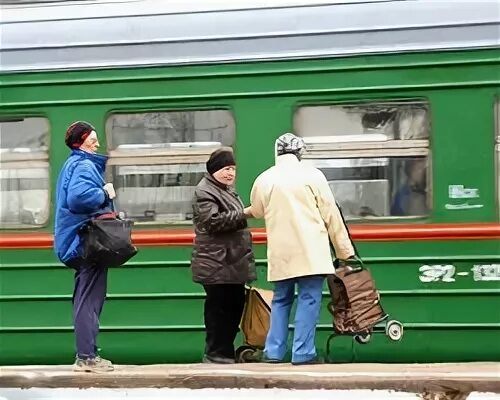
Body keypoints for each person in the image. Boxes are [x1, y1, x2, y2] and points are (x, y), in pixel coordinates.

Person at [248, 132, 355, 365]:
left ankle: (273, 351)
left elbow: (256, 210)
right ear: (299, 153)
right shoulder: (313, 175)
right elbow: (331, 215)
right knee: (309, 298)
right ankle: (303, 352)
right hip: (311, 250)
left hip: (281, 251)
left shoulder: (265, 179)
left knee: (281, 299)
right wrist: (344, 251)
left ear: (277, 153)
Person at [54, 121, 117, 373]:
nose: (97, 143)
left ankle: (86, 354)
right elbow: (78, 198)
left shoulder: (73, 163)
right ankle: (87, 357)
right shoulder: (83, 164)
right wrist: (104, 194)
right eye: (92, 139)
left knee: (85, 298)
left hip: (77, 241)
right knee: (89, 300)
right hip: (86, 242)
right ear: (81, 141)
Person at [190, 147, 256, 364]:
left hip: (229, 261)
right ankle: (216, 353)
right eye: (226, 168)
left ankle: (225, 351)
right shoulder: (205, 191)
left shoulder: (226, 190)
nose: (230, 173)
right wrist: (244, 212)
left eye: (233, 169)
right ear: (214, 169)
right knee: (219, 310)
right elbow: (212, 221)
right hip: (216, 262)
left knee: (233, 306)